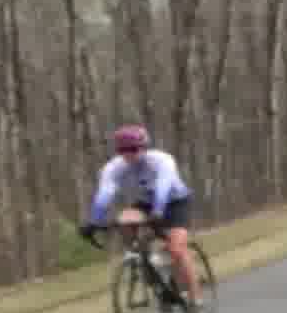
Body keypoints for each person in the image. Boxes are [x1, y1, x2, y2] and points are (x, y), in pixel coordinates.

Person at [79, 123, 206, 302]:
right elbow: (105, 193)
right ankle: (141, 262)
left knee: (177, 249)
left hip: (175, 202)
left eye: (134, 149)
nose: (129, 154)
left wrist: (159, 210)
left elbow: (164, 185)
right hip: (146, 204)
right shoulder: (113, 168)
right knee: (124, 220)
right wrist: (93, 221)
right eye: (123, 150)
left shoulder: (162, 161)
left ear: (144, 147)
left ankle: (196, 296)